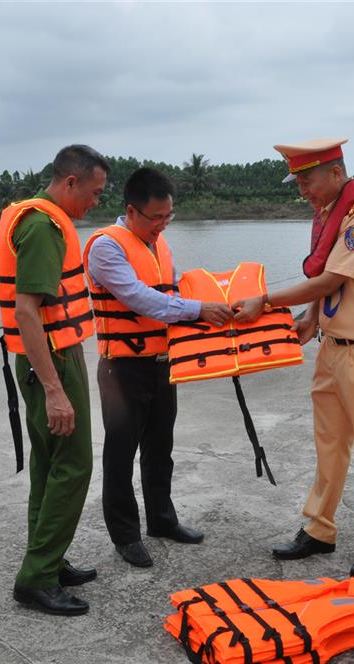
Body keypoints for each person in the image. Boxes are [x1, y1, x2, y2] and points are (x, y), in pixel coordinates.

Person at [234, 138, 354, 581]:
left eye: (306, 179)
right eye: (298, 182)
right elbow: (334, 285)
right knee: (328, 446)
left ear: (334, 171)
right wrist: (311, 318)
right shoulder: (332, 213)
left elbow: (331, 276)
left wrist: (265, 300)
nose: (302, 189)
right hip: (334, 347)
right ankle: (320, 529)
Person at [83, 167, 232, 568]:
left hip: (163, 362)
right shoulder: (106, 246)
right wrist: (201, 309)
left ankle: (162, 520)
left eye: (168, 217)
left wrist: (221, 295)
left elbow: (171, 289)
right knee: (120, 452)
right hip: (122, 369)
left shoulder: (157, 243)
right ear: (132, 211)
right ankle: (125, 536)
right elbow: (139, 299)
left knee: (160, 447)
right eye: (156, 218)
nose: (163, 225)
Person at [0, 145, 106, 616]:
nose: (96, 203)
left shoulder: (35, 217)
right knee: (74, 463)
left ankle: (48, 559)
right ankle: (38, 577)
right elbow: (26, 310)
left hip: (52, 356)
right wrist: (56, 389)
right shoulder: (43, 225)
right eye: (95, 193)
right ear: (71, 183)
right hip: (52, 362)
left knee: (48, 463)